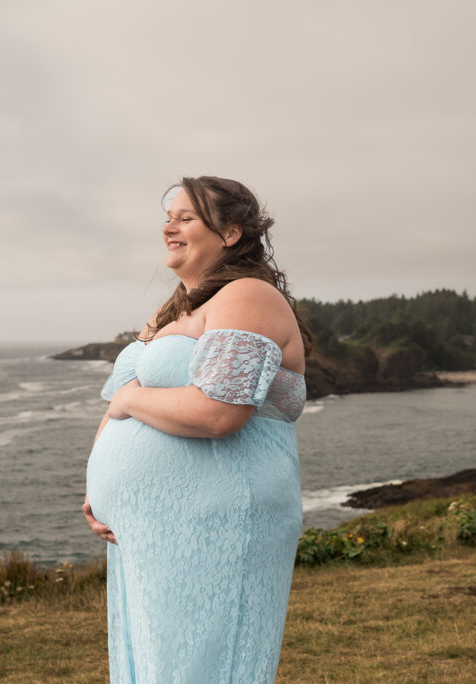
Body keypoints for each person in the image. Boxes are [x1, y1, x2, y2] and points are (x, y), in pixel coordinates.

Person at [82, 176, 312, 683]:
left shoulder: (248, 295)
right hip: (152, 530)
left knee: (204, 665)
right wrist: (98, 492)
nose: (169, 227)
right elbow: (117, 406)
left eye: (186, 218)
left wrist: (130, 399)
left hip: (219, 519)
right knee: (155, 664)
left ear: (230, 234)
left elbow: (218, 413)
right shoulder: (171, 312)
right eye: (168, 217)